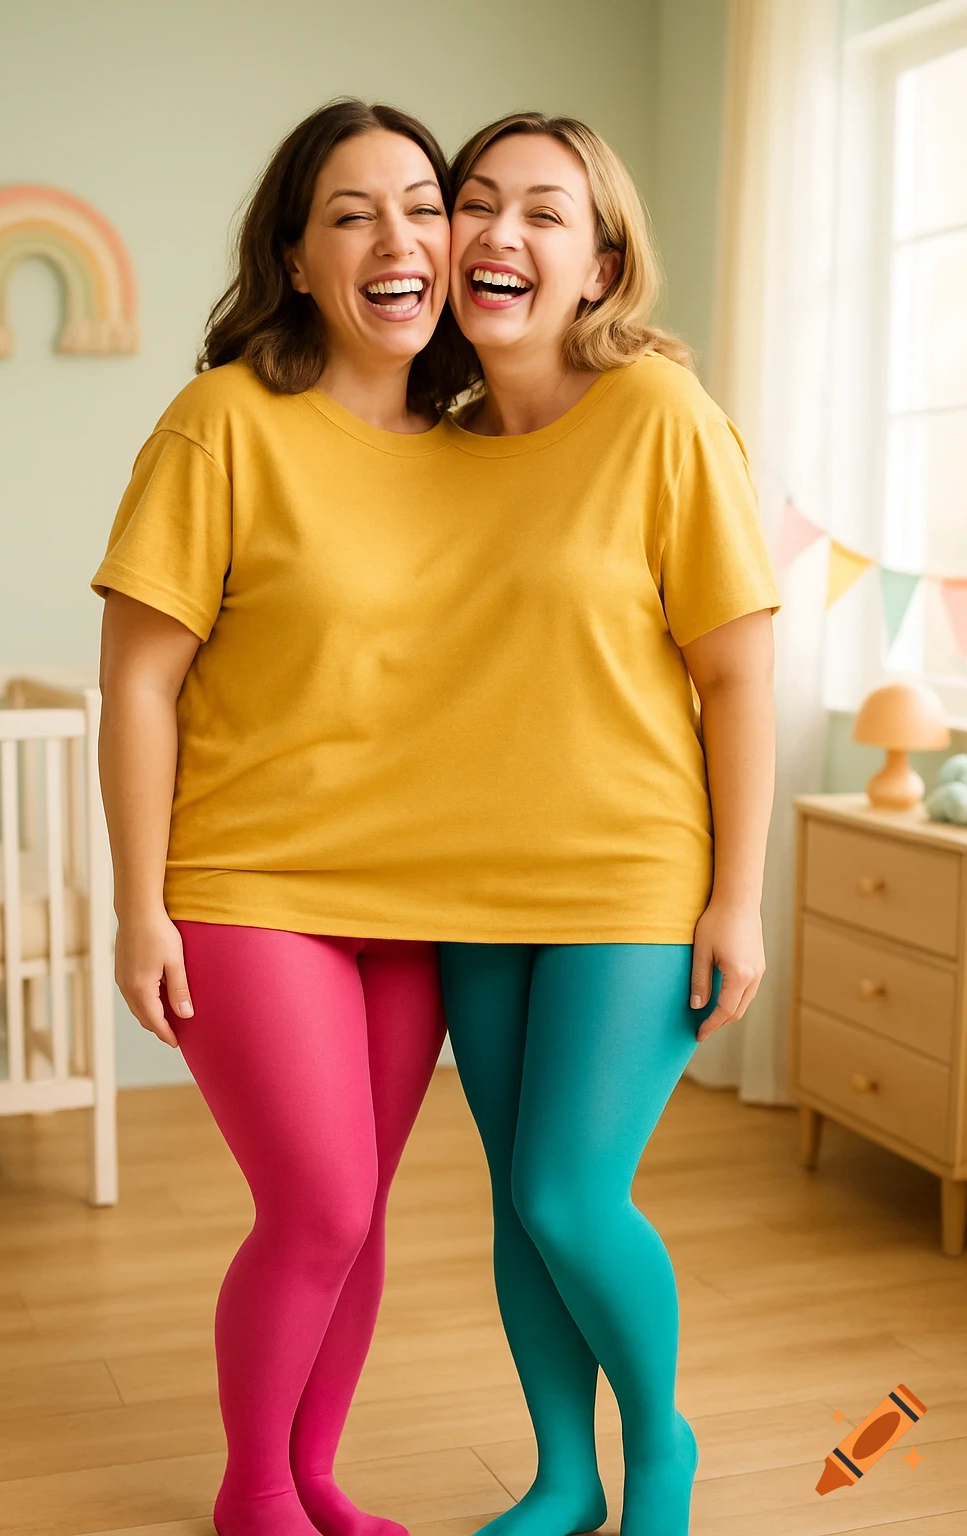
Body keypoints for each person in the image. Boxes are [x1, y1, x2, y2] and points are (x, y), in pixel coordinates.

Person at [91, 99, 474, 1536]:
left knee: (360, 1213)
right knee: (315, 1205)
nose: (399, 239)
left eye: (424, 205)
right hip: (248, 884)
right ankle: (256, 1498)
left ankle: (318, 1478)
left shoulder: (472, 444)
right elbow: (137, 684)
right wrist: (138, 906)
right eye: (353, 212)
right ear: (299, 256)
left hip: (425, 893)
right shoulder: (222, 423)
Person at [433, 113, 781, 1536]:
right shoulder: (434, 449)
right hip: (468, 877)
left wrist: (738, 895)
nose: (500, 234)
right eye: (475, 203)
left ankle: (660, 1448)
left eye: (543, 213)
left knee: (573, 1194)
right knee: (519, 1201)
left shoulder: (660, 414)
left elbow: (739, 667)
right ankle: (563, 1475)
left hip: (636, 876)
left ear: (600, 262)